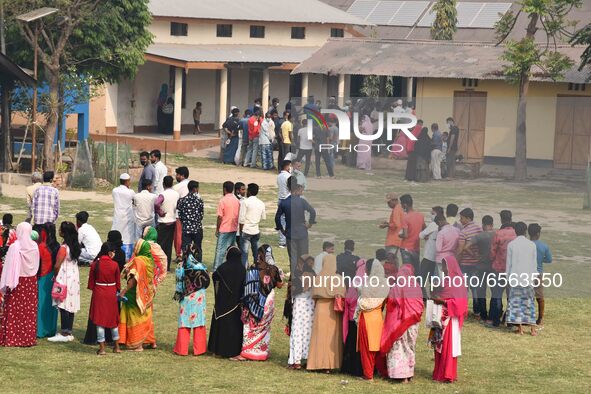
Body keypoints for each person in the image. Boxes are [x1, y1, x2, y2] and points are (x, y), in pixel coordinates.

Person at [118, 230, 166, 351]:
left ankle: (136, 344)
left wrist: (124, 290)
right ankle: (150, 341)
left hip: (136, 293)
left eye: (136, 246)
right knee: (146, 316)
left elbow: (134, 279)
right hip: (147, 292)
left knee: (135, 317)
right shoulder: (150, 260)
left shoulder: (139, 261)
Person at [235, 245, 283, 361]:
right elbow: (280, 285)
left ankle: (248, 351)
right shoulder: (273, 269)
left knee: (251, 325)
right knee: (265, 326)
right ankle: (262, 351)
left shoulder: (253, 267)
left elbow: (248, 284)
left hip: (254, 300)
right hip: (268, 301)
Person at [381, 263, 424, 383]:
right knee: (410, 348)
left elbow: (391, 302)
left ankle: (400, 375)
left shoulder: (397, 286)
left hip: (399, 322)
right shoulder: (416, 286)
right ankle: (409, 374)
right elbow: (420, 305)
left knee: (398, 347)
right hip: (413, 322)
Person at [0, 222, 40, 347]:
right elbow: (36, 264)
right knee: (28, 310)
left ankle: (13, 336)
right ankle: (27, 338)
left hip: (17, 281)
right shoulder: (34, 245)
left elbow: (9, 266)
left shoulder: (15, 247)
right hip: (30, 281)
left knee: (14, 308)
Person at [430, 256, 468, 383]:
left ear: (451, 266)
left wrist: (442, 301)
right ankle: (439, 372)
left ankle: (447, 373)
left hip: (451, 319)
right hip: (441, 317)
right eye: (442, 265)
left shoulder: (457, 281)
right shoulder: (447, 280)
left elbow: (460, 304)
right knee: (439, 345)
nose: (444, 269)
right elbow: (438, 294)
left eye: (445, 266)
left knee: (448, 346)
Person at [306, 254, 345, 372]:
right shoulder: (337, 278)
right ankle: (328, 365)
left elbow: (313, 295)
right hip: (332, 310)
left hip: (320, 308)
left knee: (318, 337)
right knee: (330, 339)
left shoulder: (318, 278)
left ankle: (315, 363)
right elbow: (342, 293)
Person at [208, 246, 246, 358]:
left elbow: (215, 277)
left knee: (220, 325)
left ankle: (216, 349)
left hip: (222, 303)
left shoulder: (222, 268)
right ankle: (233, 351)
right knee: (234, 327)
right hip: (236, 304)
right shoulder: (242, 269)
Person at [48, 221, 81, 343]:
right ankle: (69, 331)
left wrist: (55, 276)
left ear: (64, 233)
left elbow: (57, 265)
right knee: (71, 305)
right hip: (73, 278)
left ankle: (64, 332)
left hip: (64, 278)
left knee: (63, 304)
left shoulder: (63, 248)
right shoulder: (75, 246)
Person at [356, 258, 388, 381]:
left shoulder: (368, 283)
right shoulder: (385, 283)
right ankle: (383, 372)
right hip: (378, 317)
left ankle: (368, 374)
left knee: (367, 347)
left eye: (367, 268)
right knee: (378, 347)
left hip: (367, 317)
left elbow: (364, 302)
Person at [88, 242, 121, 355]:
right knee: (113, 320)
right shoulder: (115, 264)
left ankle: (102, 348)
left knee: (99, 320)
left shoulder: (95, 264)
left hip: (99, 292)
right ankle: (116, 346)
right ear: (109, 252)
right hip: (111, 292)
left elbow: (91, 283)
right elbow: (118, 283)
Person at [173, 249, 209, 356]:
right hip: (199, 297)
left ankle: (182, 349)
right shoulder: (201, 266)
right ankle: (200, 349)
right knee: (199, 321)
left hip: (186, 296)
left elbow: (179, 283)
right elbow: (206, 282)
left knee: (184, 322)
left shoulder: (181, 266)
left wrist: (179, 293)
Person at [276, 179, 316, 271]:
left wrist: (281, 229)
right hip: (302, 231)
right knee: (304, 256)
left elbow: (277, 217)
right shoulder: (302, 201)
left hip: (290, 232)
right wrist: (310, 223)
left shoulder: (284, 202)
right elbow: (312, 211)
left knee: (293, 257)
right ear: (297, 189)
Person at [506, 222, 538, 336]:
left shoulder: (511, 245)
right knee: (530, 303)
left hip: (515, 278)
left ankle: (520, 329)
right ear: (525, 231)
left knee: (516, 303)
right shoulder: (532, 245)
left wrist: (508, 278)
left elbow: (508, 264)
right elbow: (534, 264)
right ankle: (533, 329)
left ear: (515, 231)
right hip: (528, 278)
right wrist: (534, 277)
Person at [487, 210, 516, 327]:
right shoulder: (516, 233)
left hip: (498, 269)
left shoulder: (498, 233)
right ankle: (509, 320)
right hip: (513, 270)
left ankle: (495, 320)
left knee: (497, 295)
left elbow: (492, 252)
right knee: (511, 296)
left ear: (501, 219)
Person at [287, 254, 316, 369]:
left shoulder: (297, 275)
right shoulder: (314, 275)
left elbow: (292, 291)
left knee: (297, 332)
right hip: (310, 306)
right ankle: (308, 359)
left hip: (299, 305)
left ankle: (296, 360)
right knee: (308, 332)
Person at [466, 215, 495, 321]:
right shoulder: (496, 235)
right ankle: (494, 314)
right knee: (494, 291)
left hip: (481, 267)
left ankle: (483, 314)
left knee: (481, 291)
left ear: (483, 225)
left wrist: (474, 256)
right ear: (492, 224)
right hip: (493, 267)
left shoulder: (479, 236)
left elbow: (465, 246)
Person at [341, 258, 365, 377]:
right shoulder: (370, 281)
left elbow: (349, 299)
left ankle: (350, 368)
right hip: (364, 317)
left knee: (352, 344)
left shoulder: (355, 281)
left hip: (352, 318)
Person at [456, 208, 482, 316]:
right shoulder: (479, 229)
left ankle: (463, 310)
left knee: (463, 288)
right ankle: (477, 311)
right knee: (475, 288)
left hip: (465, 264)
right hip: (477, 264)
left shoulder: (463, 232)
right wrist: (477, 256)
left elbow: (461, 249)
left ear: (468, 218)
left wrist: (456, 262)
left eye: (462, 218)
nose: (460, 220)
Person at [34, 223, 60, 338]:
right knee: (52, 305)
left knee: (41, 304)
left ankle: (40, 330)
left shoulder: (41, 247)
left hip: (43, 278)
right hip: (53, 277)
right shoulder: (57, 245)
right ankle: (51, 329)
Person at [528, 223, 552, 326]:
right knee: (540, 297)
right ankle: (540, 318)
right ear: (538, 234)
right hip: (538, 273)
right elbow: (549, 259)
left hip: (527, 273)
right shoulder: (544, 246)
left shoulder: (527, 244)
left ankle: (527, 317)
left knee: (528, 296)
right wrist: (541, 259)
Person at [213, 181, 240, 271]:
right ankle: (235, 266)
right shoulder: (237, 200)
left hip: (224, 229)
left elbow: (220, 217)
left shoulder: (223, 200)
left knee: (220, 250)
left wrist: (217, 229)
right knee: (233, 248)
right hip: (234, 228)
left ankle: (216, 268)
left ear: (224, 189)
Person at [155, 175, 179, 270]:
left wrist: (160, 212)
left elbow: (156, 203)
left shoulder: (163, 194)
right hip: (172, 221)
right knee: (168, 246)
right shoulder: (176, 194)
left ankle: (159, 266)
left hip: (163, 222)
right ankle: (167, 267)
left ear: (163, 184)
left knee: (160, 245)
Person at [419, 206, 444, 298]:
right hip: (437, 258)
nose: (431, 216)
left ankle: (425, 297)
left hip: (428, 257)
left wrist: (426, 235)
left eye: (432, 213)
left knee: (421, 279)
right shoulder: (443, 227)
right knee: (433, 281)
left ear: (437, 214)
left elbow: (421, 235)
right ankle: (433, 298)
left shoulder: (433, 225)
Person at [239, 183, 266, 267]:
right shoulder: (261, 203)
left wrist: (241, 232)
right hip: (256, 230)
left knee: (244, 253)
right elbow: (263, 217)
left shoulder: (245, 202)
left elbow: (241, 219)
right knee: (256, 253)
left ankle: (244, 271)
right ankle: (257, 269)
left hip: (246, 230)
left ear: (249, 191)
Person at [177, 181, 204, 262]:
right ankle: (198, 265)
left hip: (186, 228)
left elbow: (180, 215)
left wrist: (185, 222)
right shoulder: (199, 201)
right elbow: (201, 215)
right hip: (197, 228)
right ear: (195, 189)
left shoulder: (182, 200)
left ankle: (186, 265)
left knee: (186, 249)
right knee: (198, 248)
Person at [111, 173, 135, 260]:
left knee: (117, 233)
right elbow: (134, 201)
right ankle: (127, 255)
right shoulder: (130, 192)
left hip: (118, 215)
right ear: (127, 181)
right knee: (128, 236)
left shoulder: (115, 190)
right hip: (127, 216)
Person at [399, 194, 425, 274]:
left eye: (402, 205)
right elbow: (424, 230)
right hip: (416, 248)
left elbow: (405, 235)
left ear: (405, 205)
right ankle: (418, 286)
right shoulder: (420, 216)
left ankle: (408, 286)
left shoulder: (405, 218)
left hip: (406, 248)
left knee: (407, 272)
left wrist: (400, 235)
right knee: (416, 271)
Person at [172, 166, 190, 259]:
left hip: (179, 214)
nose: (176, 177)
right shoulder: (191, 184)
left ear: (182, 176)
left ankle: (179, 254)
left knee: (178, 235)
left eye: (178, 175)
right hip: (190, 215)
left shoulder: (176, 187)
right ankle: (187, 253)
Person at [380, 193, 404, 260]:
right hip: (398, 240)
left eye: (389, 202)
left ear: (394, 201)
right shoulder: (400, 208)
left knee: (390, 260)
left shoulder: (396, 210)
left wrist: (386, 225)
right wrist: (388, 223)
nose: (388, 204)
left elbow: (396, 225)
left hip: (393, 240)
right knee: (395, 260)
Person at [276, 160, 292, 248]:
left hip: (280, 199)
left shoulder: (279, 176)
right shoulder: (289, 176)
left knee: (281, 221)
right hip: (287, 199)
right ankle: (287, 240)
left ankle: (282, 241)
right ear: (287, 166)